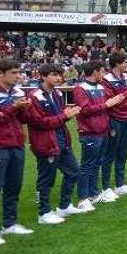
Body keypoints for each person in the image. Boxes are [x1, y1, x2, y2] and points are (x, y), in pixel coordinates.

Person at [24, 64, 83, 225]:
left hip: (62, 141)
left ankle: (64, 206)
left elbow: (62, 114)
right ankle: (43, 213)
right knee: (46, 179)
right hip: (45, 143)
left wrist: (67, 114)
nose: (58, 78)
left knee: (73, 172)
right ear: (43, 76)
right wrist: (65, 116)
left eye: (60, 75)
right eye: (54, 74)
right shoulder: (35, 96)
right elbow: (38, 122)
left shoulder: (57, 93)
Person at [0, 59, 33, 247]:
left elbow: (23, 120)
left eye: (18, 72)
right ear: (0, 74)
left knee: (14, 186)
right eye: (13, 72)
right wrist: (14, 108)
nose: (18, 76)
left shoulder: (19, 92)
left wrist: (25, 109)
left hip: (16, 144)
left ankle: (10, 223)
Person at [74, 60, 126, 206]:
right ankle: (83, 198)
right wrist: (106, 105)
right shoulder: (80, 88)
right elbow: (84, 110)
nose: (104, 74)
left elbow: (104, 108)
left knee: (96, 163)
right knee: (87, 165)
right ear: (95, 72)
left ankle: (94, 194)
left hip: (102, 131)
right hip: (90, 132)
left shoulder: (100, 87)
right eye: (102, 71)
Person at [101, 52, 127, 198]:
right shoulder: (106, 80)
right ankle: (105, 188)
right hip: (114, 119)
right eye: (125, 62)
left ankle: (120, 184)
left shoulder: (125, 77)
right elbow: (113, 100)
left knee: (123, 152)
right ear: (117, 63)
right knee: (110, 153)